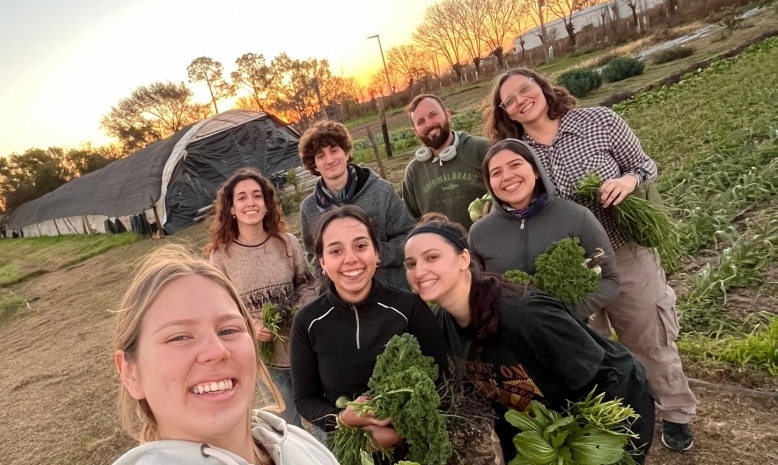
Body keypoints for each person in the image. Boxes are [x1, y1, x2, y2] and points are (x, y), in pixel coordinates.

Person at [483, 68, 697, 452]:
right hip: (569, 269)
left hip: (626, 249)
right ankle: (614, 418)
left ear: (543, 87)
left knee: (649, 337)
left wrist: (627, 182)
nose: (520, 100)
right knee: (588, 351)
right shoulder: (519, 154)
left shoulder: (598, 121)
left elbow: (644, 165)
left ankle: (677, 412)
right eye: (509, 100)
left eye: (525, 89)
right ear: (507, 113)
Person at [403, 217, 655, 464]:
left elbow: (604, 377)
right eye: (411, 264)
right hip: (539, 427)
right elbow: (496, 399)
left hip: (613, 407)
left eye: (432, 257)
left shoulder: (524, 315)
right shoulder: (439, 323)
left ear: (464, 259)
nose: (419, 271)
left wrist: (583, 443)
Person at [112, 245, 338, 465]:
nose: (217, 351)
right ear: (130, 373)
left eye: (229, 330)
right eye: (179, 337)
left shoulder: (300, 444)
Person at [290, 204, 449, 458]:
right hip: (352, 453)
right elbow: (305, 399)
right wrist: (343, 419)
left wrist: (401, 431)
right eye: (336, 250)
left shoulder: (409, 307)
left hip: (418, 448)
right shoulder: (308, 322)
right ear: (322, 262)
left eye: (361, 246)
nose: (350, 258)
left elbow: (443, 380)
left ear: (377, 253)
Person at [206, 167, 316, 429]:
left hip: (303, 350)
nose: (250, 202)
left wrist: (301, 310)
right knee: (286, 429)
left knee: (324, 422)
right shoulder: (221, 257)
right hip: (265, 361)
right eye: (241, 197)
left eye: (257, 195)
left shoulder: (287, 243)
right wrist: (251, 326)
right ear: (231, 209)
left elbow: (307, 284)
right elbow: (220, 309)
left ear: (267, 204)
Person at [470, 138, 619, 319]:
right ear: (490, 183)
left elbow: (610, 280)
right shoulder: (479, 233)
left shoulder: (577, 217)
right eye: (496, 172)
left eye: (515, 164)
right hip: (511, 337)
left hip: (569, 333)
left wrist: (562, 314)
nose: (507, 176)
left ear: (536, 171)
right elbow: (476, 291)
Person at [298, 120, 415, 290]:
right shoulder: (308, 209)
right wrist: (327, 293)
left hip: (391, 292)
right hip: (343, 304)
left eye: (334, 150)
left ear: (346, 152)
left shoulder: (381, 191)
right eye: (320, 156)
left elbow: (409, 236)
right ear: (314, 164)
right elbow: (315, 257)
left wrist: (377, 255)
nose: (329, 160)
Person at [403, 94, 490, 230]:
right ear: (415, 131)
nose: (429, 124)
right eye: (421, 121)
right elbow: (412, 223)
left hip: (486, 245)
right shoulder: (414, 172)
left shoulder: (481, 149)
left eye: (433, 115)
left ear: (447, 114)